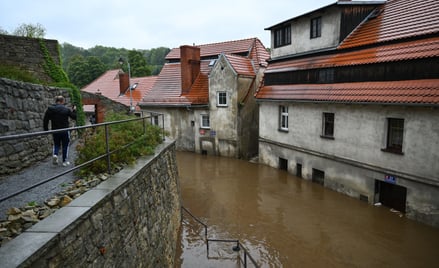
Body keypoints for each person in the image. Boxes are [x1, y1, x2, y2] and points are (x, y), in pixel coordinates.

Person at [43, 95, 77, 166]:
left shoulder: (50, 109)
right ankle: (64, 161)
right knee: (65, 145)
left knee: (56, 144)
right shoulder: (66, 109)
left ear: (56, 101)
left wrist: (46, 130)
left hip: (55, 130)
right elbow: (74, 117)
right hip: (65, 130)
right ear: (62, 101)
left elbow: (45, 120)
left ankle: (55, 155)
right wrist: (74, 110)